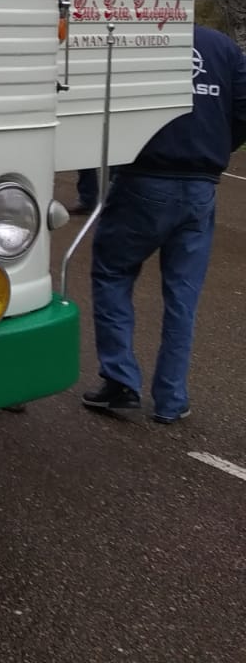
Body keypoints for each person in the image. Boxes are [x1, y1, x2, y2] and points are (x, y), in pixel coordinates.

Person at [82, 25, 246, 424]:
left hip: (145, 176)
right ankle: (172, 398)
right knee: (183, 296)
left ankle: (121, 381)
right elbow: (243, 110)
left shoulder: (139, 36)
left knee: (113, 272)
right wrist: (216, 147)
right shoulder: (223, 47)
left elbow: (105, 100)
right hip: (202, 185)